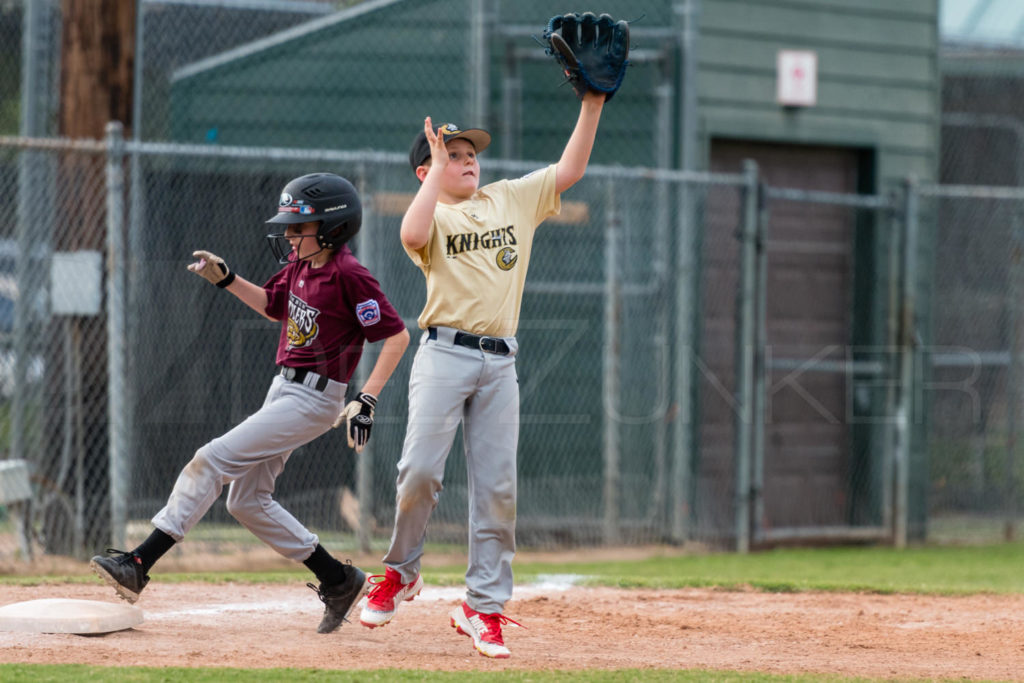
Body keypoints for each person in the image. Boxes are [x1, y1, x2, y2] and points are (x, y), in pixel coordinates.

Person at [90, 172, 410, 634]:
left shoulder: (349, 276)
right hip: (284, 390)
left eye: (298, 227)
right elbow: (272, 306)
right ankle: (338, 579)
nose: (288, 236)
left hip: (315, 397)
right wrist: (227, 279)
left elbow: (395, 337)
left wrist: (367, 398)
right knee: (247, 501)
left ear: (332, 228)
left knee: (211, 459)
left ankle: (140, 561)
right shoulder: (301, 266)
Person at [359, 91, 607, 658]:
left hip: (500, 361)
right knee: (419, 470)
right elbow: (414, 237)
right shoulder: (434, 213)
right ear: (426, 171)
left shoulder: (510, 199)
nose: (468, 159)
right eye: (452, 153)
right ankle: (402, 572)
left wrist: (592, 103)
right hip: (444, 352)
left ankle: (483, 607)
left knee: (497, 488)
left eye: (471, 152)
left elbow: (571, 169)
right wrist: (432, 171)